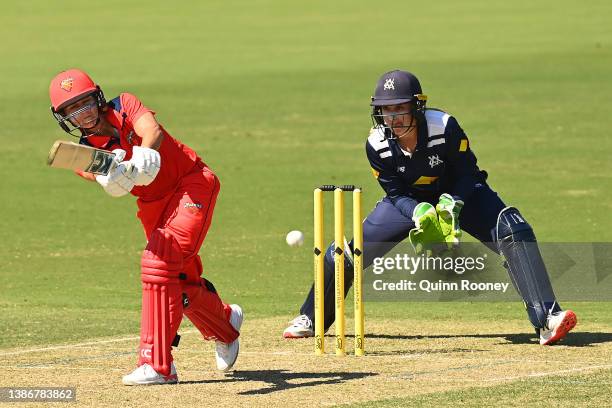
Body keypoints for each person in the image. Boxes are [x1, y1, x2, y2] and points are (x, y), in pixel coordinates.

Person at [283, 69, 577, 345]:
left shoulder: (444, 126)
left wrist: (454, 202)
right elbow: (395, 194)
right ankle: (312, 317)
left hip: (461, 194)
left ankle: (547, 319)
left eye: (399, 108)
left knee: (514, 230)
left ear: (417, 107)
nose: (393, 117)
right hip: (409, 202)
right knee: (345, 255)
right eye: (386, 110)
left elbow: (470, 174)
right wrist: (417, 211)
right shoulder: (376, 144)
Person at [49, 69, 243, 385]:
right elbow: (101, 174)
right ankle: (225, 325)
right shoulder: (84, 152)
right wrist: (109, 178)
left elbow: (151, 129)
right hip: (152, 207)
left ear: (97, 97)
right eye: (72, 109)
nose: (82, 113)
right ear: (63, 117)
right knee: (177, 279)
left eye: (84, 102)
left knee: (158, 262)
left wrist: (145, 151)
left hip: (191, 183)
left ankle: (157, 364)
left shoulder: (124, 104)